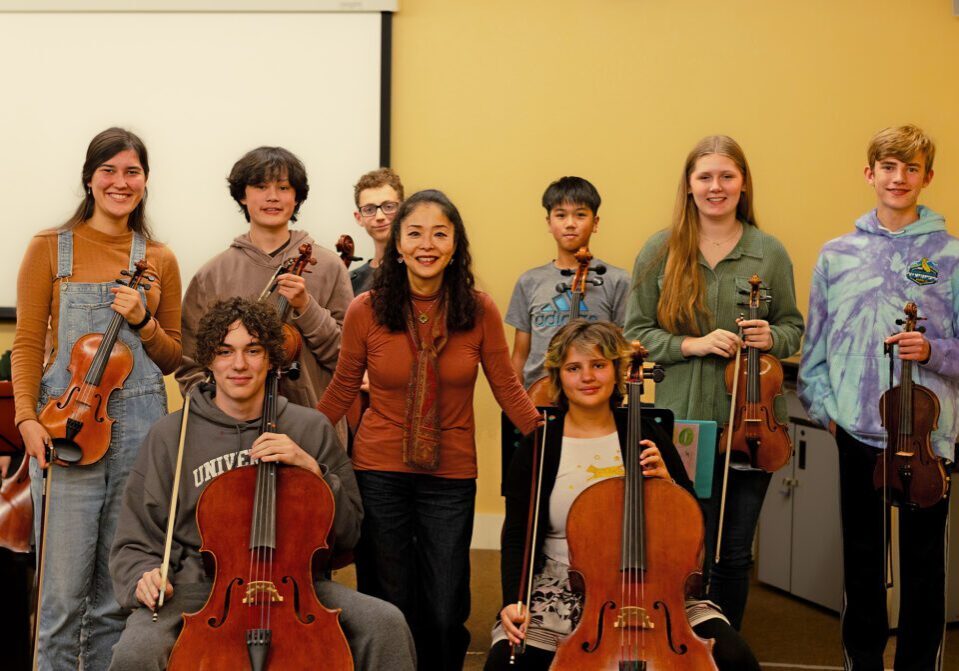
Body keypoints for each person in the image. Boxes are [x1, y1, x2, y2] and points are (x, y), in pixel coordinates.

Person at [108, 298, 415, 670]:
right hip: (198, 591)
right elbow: (133, 541)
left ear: (271, 359)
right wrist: (144, 575)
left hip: (298, 588)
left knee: (386, 624)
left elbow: (350, 535)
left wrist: (312, 470)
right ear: (209, 360)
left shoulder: (309, 428)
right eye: (225, 352)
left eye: (252, 350)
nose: (239, 364)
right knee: (135, 651)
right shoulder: (171, 434)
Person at [317, 189, 541, 670]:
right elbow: (340, 393)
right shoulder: (366, 309)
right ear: (396, 244)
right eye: (414, 233)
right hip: (379, 472)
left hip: (451, 476)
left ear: (456, 245)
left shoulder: (478, 310)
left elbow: (507, 388)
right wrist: (294, 439)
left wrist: (557, 440)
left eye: (440, 233)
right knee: (389, 601)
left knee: (444, 608)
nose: (427, 243)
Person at [487, 320, 760, 671]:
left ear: (617, 371)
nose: (587, 377)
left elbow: (693, 520)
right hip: (560, 584)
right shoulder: (538, 446)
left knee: (736, 658)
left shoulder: (645, 433)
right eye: (574, 368)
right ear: (559, 376)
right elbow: (515, 536)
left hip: (654, 580)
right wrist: (513, 600)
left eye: (598, 365)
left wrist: (669, 486)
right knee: (505, 664)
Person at [11, 127, 182, 670]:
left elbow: (173, 357)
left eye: (132, 172)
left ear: (146, 182)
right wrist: (26, 419)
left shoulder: (159, 258)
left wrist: (143, 320)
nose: (120, 182)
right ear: (90, 177)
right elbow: (27, 343)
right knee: (60, 597)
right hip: (67, 430)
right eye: (109, 170)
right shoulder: (49, 248)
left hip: (138, 430)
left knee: (116, 596)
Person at [624, 135, 804, 630]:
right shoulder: (660, 249)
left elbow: (793, 327)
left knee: (734, 554)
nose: (715, 186)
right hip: (684, 423)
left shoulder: (768, 252)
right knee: (681, 548)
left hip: (752, 426)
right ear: (688, 185)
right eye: (705, 177)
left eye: (727, 176)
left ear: (743, 183)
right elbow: (633, 332)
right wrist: (692, 345)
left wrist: (772, 334)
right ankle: (675, 646)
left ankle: (725, 651)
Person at [799, 124, 957, 670]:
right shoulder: (837, 254)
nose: (899, 178)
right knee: (862, 563)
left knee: (923, 567)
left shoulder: (950, 256)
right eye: (888, 167)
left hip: (928, 438)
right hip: (858, 431)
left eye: (911, 168)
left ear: (927, 178)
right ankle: (860, 663)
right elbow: (813, 343)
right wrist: (828, 413)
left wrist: (933, 350)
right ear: (870, 174)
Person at [176, 146, 352, 417]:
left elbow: (346, 360)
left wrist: (307, 308)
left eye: (283, 188)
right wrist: (218, 415)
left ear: (297, 197)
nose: (272, 197)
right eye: (260, 186)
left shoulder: (329, 267)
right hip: (232, 432)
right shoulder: (212, 274)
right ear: (242, 196)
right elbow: (191, 366)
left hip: (313, 424)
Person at [506, 176, 630, 389]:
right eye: (561, 215)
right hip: (539, 396)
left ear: (595, 223)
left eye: (580, 215)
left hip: (594, 393)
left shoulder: (617, 280)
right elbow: (520, 355)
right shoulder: (529, 281)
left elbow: (621, 352)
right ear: (549, 222)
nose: (570, 224)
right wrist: (514, 411)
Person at [349, 167, 405, 295]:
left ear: (404, 209)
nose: (380, 217)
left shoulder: (418, 270)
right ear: (359, 218)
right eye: (369, 209)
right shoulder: (351, 282)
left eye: (389, 207)